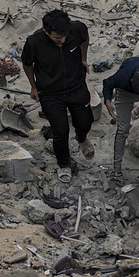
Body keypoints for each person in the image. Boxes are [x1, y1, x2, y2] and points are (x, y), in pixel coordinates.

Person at [21, 9, 93, 183]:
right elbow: (27, 63)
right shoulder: (34, 42)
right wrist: (33, 86)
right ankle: (64, 164)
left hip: (76, 86)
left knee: (85, 121)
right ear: (46, 32)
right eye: (57, 39)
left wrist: (83, 58)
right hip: (50, 93)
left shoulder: (77, 29)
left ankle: (82, 138)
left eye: (64, 37)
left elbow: (85, 38)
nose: (62, 41)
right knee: (60, 131)